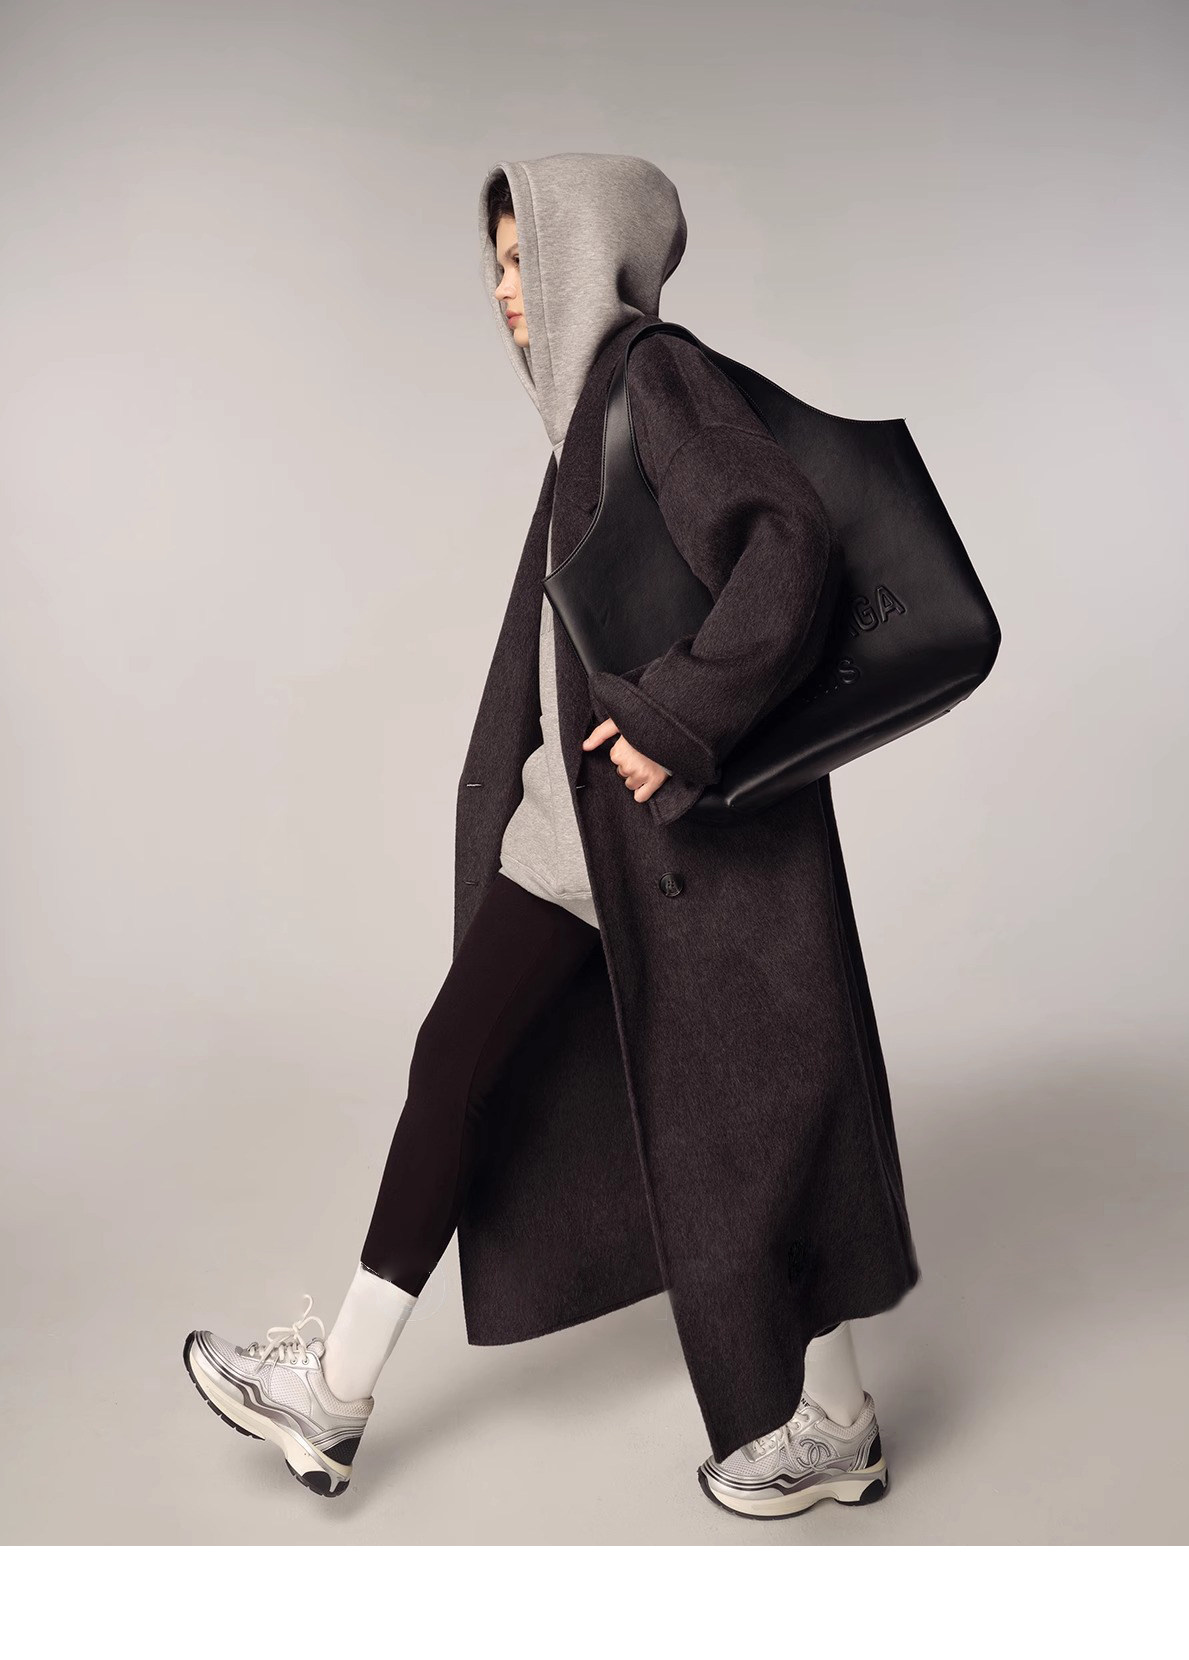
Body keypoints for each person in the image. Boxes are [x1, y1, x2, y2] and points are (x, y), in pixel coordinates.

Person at [183, 153, 917, 1517]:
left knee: (737, 1120)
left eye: (526, 259)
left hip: (648, 836)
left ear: (589, 252)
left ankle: (337, 1395)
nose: (505, 290)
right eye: (497, 265)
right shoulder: (592, 417)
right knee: (676, 1105)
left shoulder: (652, 379)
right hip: (594, 842)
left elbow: (787, 542)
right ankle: (339, 1393)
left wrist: (675, 719)